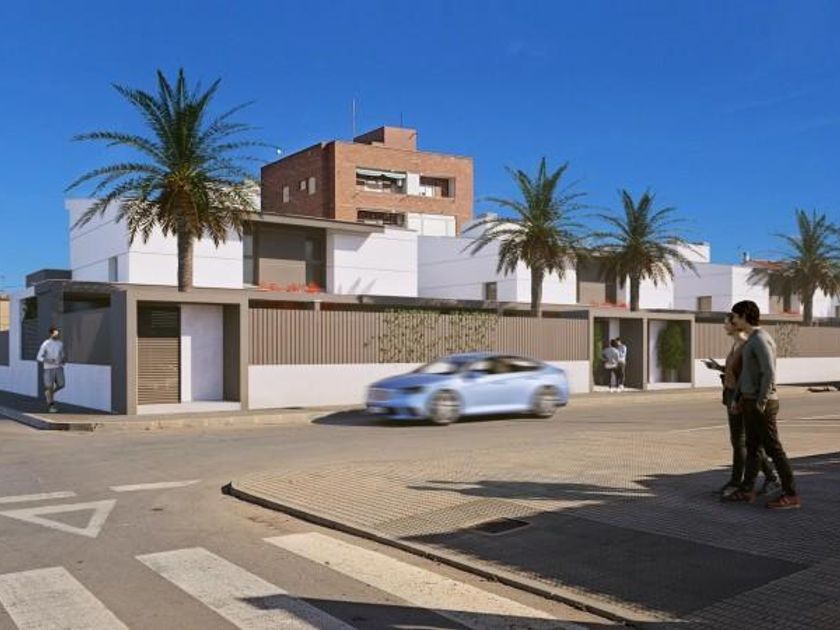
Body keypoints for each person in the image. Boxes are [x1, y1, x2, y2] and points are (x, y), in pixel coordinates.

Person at [724, 300, 800, 509]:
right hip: (749, 400)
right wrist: (737, 398)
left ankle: (791, 494)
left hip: (762, 404)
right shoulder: (751, 340)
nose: (733, 320)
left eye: (735, 316)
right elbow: (746, 375)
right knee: (753, 447)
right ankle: (747, 490)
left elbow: (768, 373)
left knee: (773, 449)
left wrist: (761, 402)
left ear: (744, 316)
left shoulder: (760, 339)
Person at [703, 314, 778, 499]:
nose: (724, 326)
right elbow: (736, 370)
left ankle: (754, 479)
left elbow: (751, 373)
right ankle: (745, 480)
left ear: (736, 324)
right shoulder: (736, 344)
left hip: (742, 396)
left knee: (743, 441)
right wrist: (719, 368)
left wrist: (745, 398)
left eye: (727, 323)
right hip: (731, 394)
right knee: (739, 441)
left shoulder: (746, 344)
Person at [36, 326, 65, 413]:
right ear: (51, 334)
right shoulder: (46, 343)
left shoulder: (60, 343)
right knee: (49, 387)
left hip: (59, 367)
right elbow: (39, 357)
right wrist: (48, 360)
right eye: (55, 334)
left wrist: (63, 360)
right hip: (48, 368)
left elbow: (62, 354)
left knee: (61, 384)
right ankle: (51, 406)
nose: (57, 335)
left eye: (57, 334)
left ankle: (49, 393)